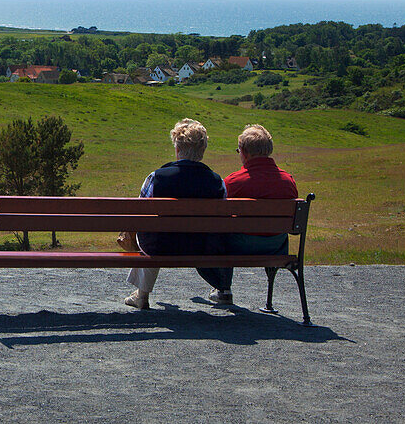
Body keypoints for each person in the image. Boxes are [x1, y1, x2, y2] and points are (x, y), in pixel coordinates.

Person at [124, 118, 227, 310]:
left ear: (177, 149)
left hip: (161, 246)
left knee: (150, 229)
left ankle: (142, 295)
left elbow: (139, 214)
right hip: (201, 247)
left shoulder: (157, 177)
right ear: (202, 151)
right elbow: (222, 220)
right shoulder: (217, 181)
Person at [219, 124, 299, 295]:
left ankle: (224, 289)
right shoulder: (288, 181)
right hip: (276, 247)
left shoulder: (233, 182)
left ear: (244, 152)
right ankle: (269, 296)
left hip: (240, 246)